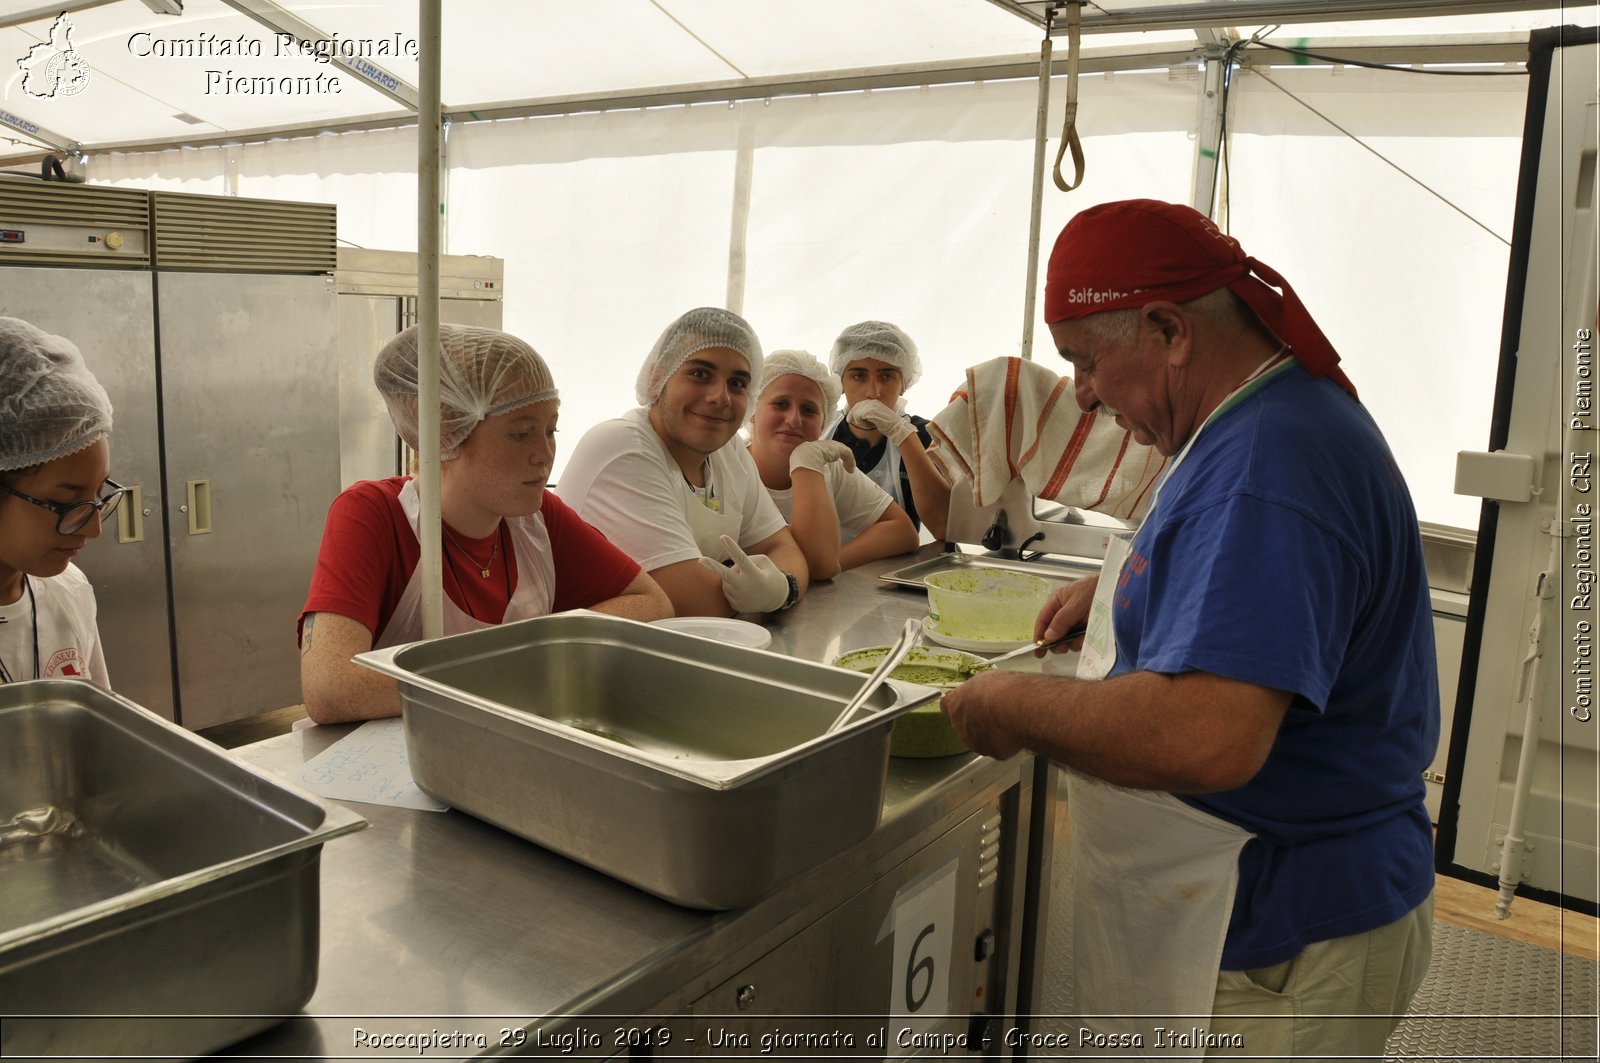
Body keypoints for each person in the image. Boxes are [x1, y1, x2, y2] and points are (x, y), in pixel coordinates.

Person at [941, 199, 1438, 1058]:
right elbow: (1251, 587)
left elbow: (1210, 736)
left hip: (1286, 919)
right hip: (1259, 894)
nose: (1084, 396)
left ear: (1171, 329)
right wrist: (1118, 600)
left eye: (1086, 363)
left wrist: (1011, 706)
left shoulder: (1269, 461)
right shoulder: (1261, 418)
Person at [298, 324, 672, 724]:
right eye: (521, 433)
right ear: (446, 433)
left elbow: (653, 603)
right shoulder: (373, 514)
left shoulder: (539, 517)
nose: (544, 455)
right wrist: (514, 670)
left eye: (551, 429)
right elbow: (329, 689)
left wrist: (533, 655)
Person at [558, 307, 809, 618]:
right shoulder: (624, 448)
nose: (721, 397)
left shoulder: (729, 451)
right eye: (700, 374)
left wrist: (783, 588)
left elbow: (784, 549)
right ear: (658, 377)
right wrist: (762, 591)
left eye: (738, 383)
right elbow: (695, 604)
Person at [0, 317, 121, 686]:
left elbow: (95, 728)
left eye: (98, 495)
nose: (94, 528)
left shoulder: (67, 592)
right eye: (66, 504)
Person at [745, 350, 918, 579]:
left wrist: (833, 561)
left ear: (823, 422)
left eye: (809, 410)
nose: (794, 419)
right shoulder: (727, 466)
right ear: (752, 412)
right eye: (780, 404)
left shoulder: (824, 465)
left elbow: (902, 531)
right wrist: (815, 566)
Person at [826, 321, 952, 541]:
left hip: (899, 569)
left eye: (886, 376)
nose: (873, 392)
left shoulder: (926, 435)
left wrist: (902, 435)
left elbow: (944, 526)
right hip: (828, 569)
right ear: (840, 382)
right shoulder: (819, 429)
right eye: (858, 376)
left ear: (904, 383)